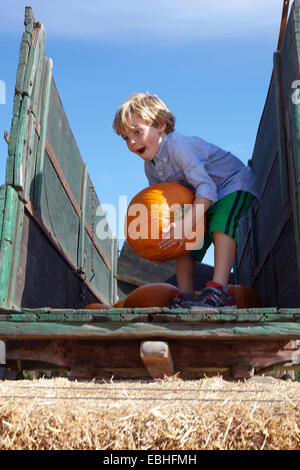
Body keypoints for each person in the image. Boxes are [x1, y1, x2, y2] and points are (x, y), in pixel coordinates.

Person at [113, 92, 258, 308]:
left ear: (161, 126)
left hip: (231, 184)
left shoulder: (180, 147)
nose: (132, 142)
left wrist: (186, 222)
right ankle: (186, 296)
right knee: (184, 244)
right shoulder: (150, 167)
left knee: (221, 222)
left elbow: (207, 187)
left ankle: (220, 291)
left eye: (137, 132)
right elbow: (167, 203)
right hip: (201, 198)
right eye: (126, 137)